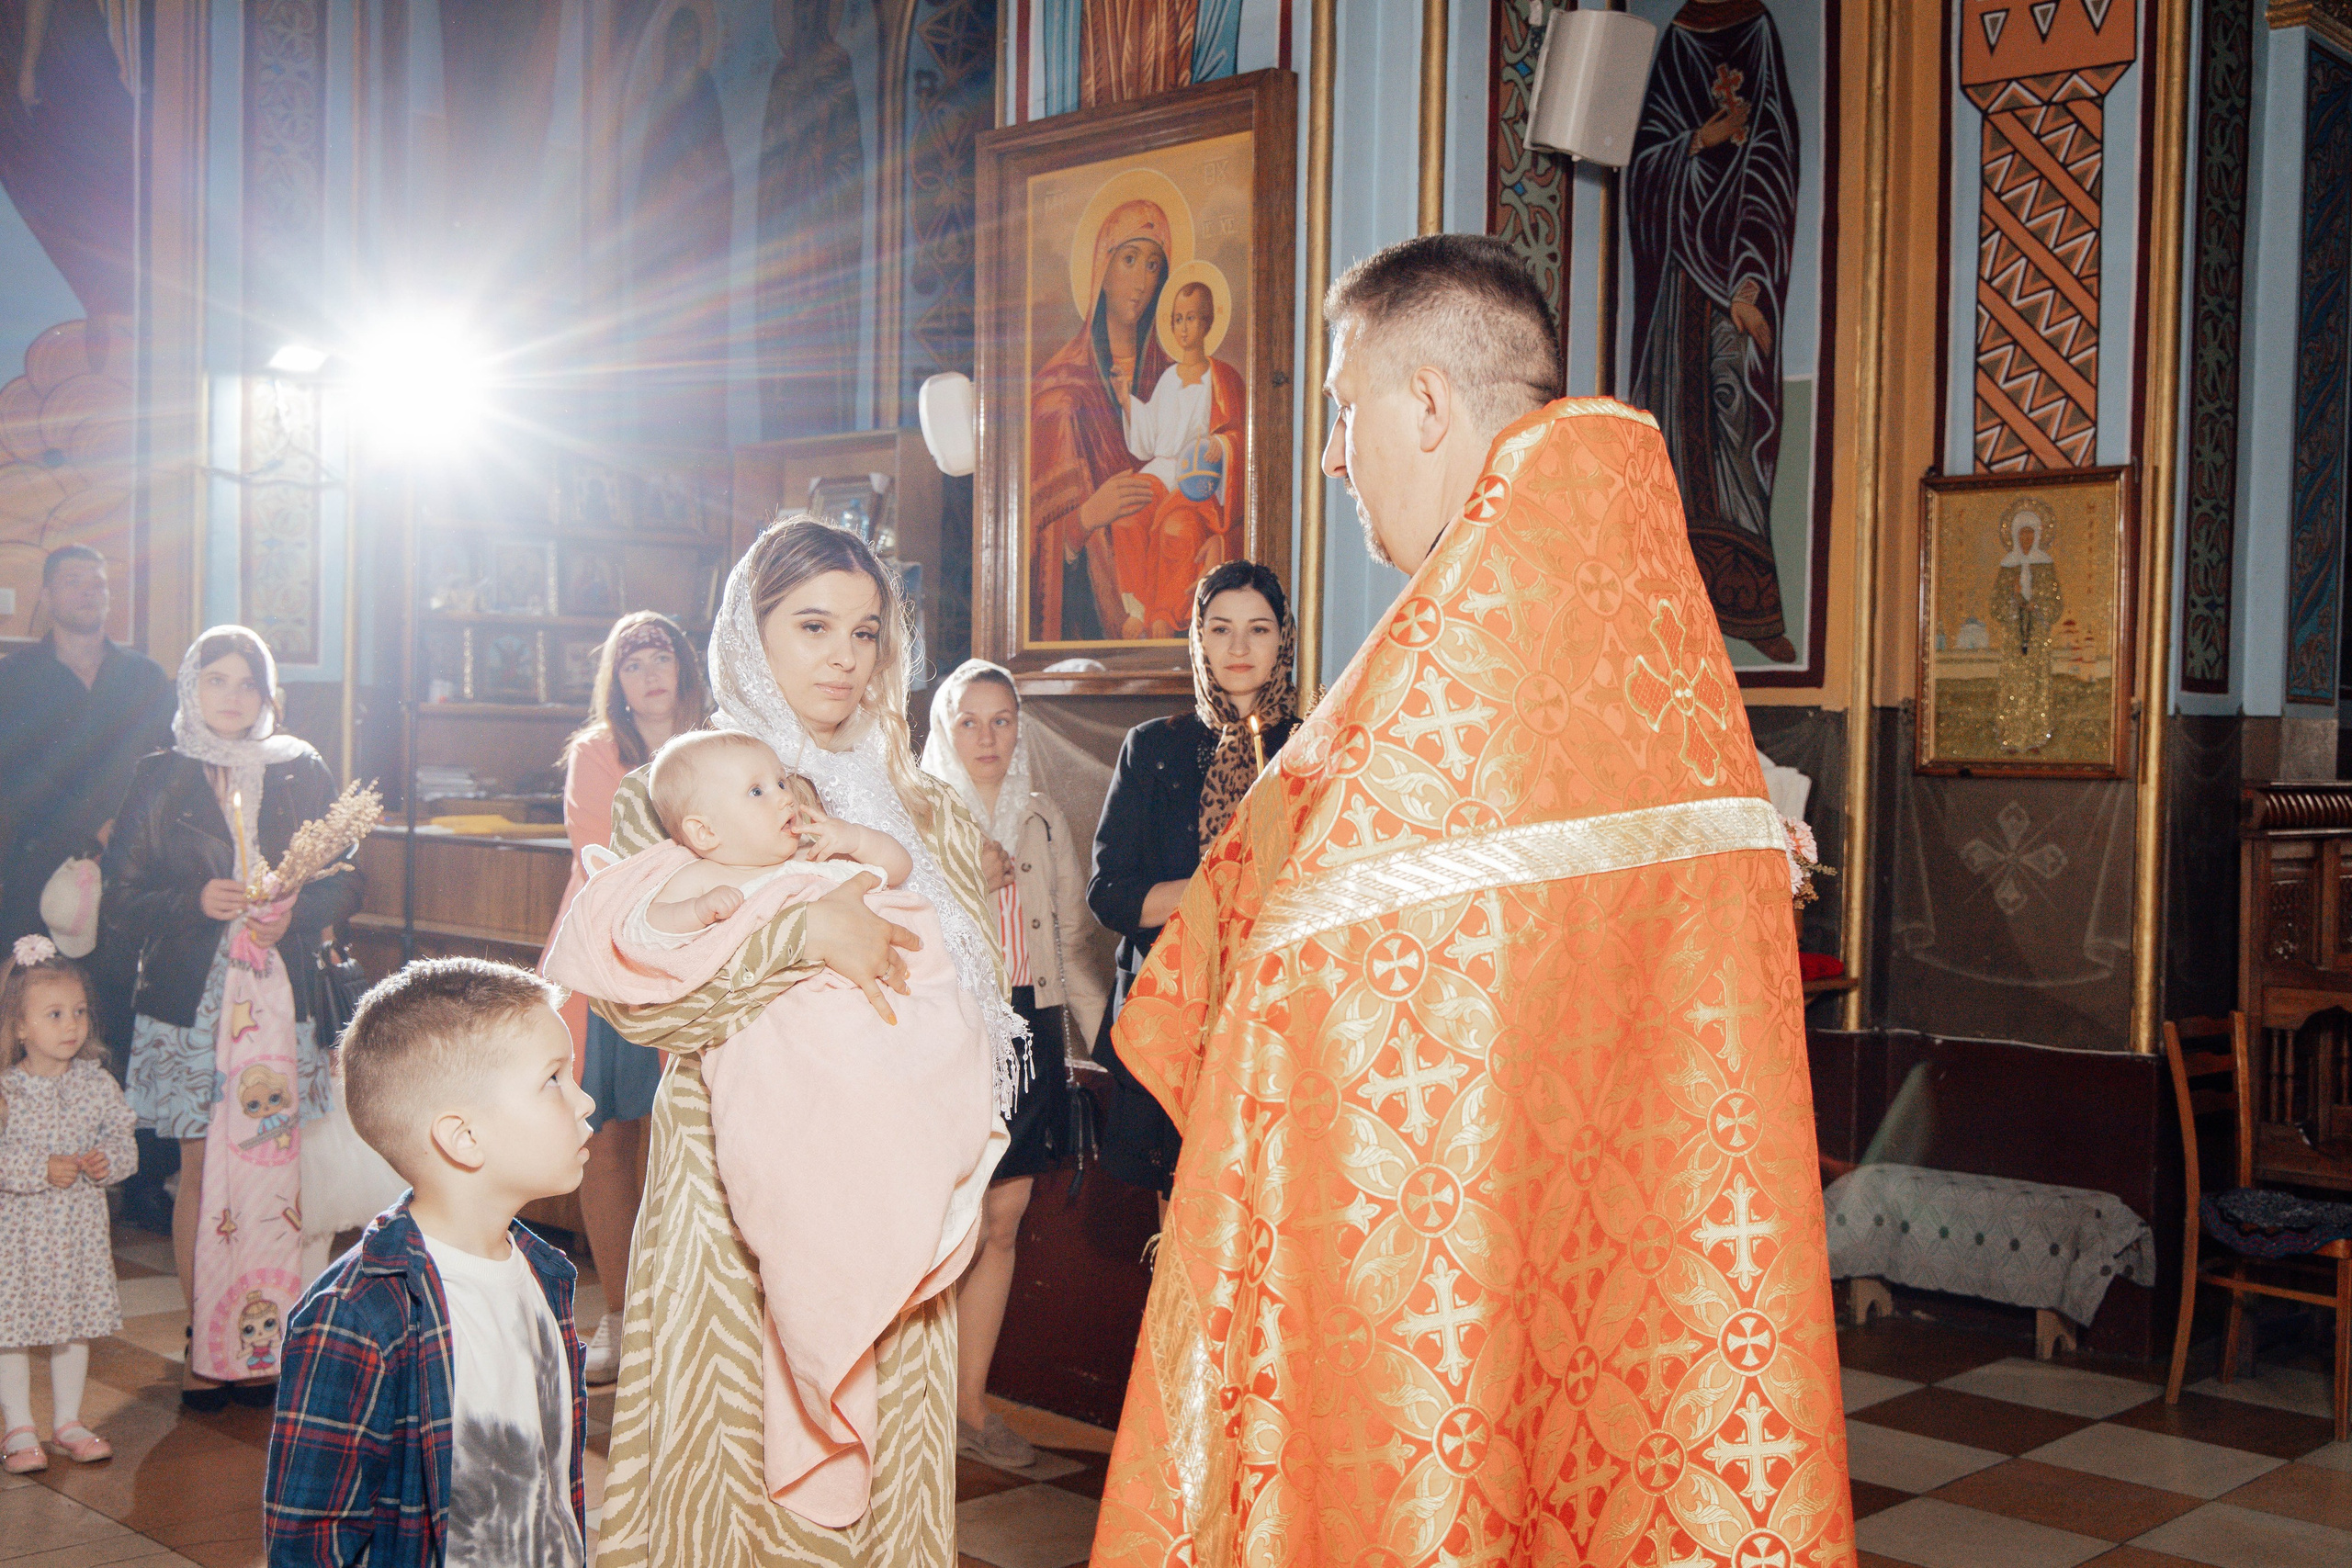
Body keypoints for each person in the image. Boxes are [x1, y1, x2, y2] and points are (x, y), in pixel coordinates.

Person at [1088, 234, 1852, 1567]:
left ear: (1428, 405)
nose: (1334, 456)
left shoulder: (1450, 689)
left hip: (1425, 1306)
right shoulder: (1660, 659)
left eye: (1343, 408)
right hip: (1640, 1322)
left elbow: (1294, 988)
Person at [584, 517, 1019, 1568]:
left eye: (866, 632)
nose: (843, 656)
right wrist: (804, 928)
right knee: (751, 1494)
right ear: (750, 630)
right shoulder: (691, 783)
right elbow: (637, 997)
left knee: (886, 1482)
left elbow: (974, 985)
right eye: (812, 625)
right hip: (745, 1200)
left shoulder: (920, 799)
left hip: (903, 1195)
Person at [545, 728, 999, 1526]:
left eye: (865, 631)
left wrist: (847, 841)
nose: (782, 798)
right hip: (777, 1090)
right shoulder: (686, 853)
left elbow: (889, 875)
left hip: (874, 1058)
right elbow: (641, 949)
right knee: (797, 1253)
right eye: (758, 792)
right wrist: (724, 915)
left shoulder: (832, 839)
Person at [100, 626, 364, 1411]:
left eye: (247, 682)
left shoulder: (301, 767)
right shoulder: (160, 775)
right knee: (198, 1170)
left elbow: (350, 880)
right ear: (191, 687)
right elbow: (119, 899)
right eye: (216, 680)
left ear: (267, 692)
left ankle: (279, 1336)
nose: (232, 696)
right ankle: (204, 1339)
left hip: (285, 995)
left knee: (282, 1167)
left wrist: (297, 910)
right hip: (191, 996)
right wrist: (194, 901)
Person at [265, 958, 592, 1568]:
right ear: (462, 1136)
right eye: (554, 1078)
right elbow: (309, 1540)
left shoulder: (546, 1275)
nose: (584, 1098)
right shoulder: (360, 1315)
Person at [920, 659, 1109, 1471]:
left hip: (1028, 1026)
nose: (987, 737)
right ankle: (913, 1405)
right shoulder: (919, 818)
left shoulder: (1039, 817)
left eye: (1002, 720)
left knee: (1004, 1218)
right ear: (943, 729)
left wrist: (1099, 1046)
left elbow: (1066, 940)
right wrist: (968, 874)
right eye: (969, 720)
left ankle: (969, 1403)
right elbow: (907, 926)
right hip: (951, 1025)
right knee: (937, 1221)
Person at [1088, 562, 1298, 1209]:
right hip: (1171, 1017)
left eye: (1257, 629)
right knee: (1180, 1222)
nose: (1238, 648)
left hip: (1278, 1018)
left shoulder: (1315, 747)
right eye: (1221, 629)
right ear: (1198, 639)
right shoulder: (1153, 747)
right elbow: (1111, 893)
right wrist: (1222, 880)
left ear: (1283, 639)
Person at [549, 610, 710, 1385]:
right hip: (613, 954)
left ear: (685, 666)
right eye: (631, 661)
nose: (647, 673)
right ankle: (616, 1315)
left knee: (680, 1136)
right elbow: (604, 847)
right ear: (614, 679)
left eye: (660, 656)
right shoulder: (595, 750)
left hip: (699, 955)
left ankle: (673, 1316)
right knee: (607, 1141)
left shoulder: (717, 741)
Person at [0, 936, 135, 1473]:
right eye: (54, 1014)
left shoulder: (96, 1083)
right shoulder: (7, 1091)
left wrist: (109, 1161)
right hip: (20, 1238)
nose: (72, 1025)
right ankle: (18, 1426)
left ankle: (68, 1421)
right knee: (12, 1330)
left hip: (77, 1232)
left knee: (71, 1325)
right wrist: (37, 1170)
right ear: (19, 1027)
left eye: (78, 1012)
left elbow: (125, 1140)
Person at [1031, 197, 1176, 641]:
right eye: (1129, 259)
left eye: (1153, 265)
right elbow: (1034, 548)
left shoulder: (1175, 379)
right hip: (1091, 626)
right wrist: (1089, 516)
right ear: (1102, 268)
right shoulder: (1060, 392)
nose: (1141, 280)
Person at [1113, 271, 1246, 637]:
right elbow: (1148, 435)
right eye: (1177, 319)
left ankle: (1165, 617)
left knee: (1176, 531)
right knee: (1127, 516)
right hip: (1162, 468)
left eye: (1190, 318)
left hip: (1197, 480)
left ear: (1207, 322)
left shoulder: (1223, 378)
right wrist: (1127, 401)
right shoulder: (1169, 378)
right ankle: (1137, 607)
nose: (1183, 327)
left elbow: (1238, 435)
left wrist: (1219, 445)